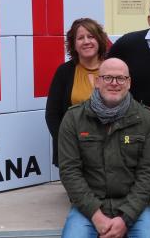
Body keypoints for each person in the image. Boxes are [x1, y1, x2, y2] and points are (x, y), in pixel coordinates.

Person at [58, 58, 150, 237]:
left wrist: (126, 217)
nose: (114, 83)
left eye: (120, 78)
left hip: (133, 207)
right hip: (88, 207)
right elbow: (69, 171)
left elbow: (148, 172)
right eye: (107, 78)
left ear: (129, 83)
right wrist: (95, 215)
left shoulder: (146, 119)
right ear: (97, 81)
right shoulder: (74, 118)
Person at [45, 17, 109, 166]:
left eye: (91, 36)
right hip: (75, 155)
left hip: (111, 152)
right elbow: (52, 115)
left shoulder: (114, 68)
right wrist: (67, 145)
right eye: (80, 38)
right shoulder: (64, 72)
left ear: (99, 40)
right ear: (74, 44)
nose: (86, 41)